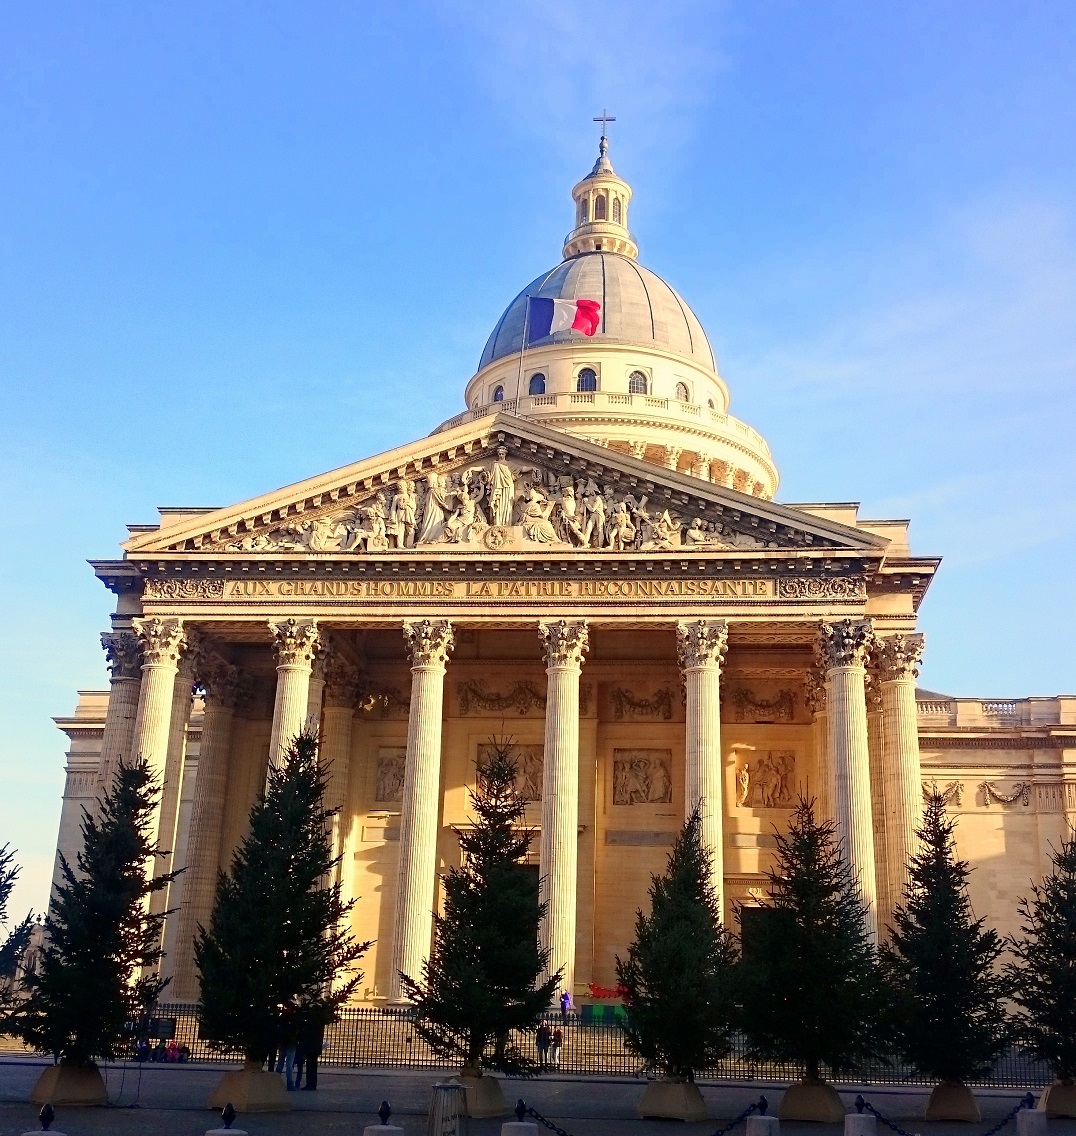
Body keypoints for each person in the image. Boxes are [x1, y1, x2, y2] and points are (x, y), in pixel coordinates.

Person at [296, 1013, 325, 1090]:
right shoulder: (320, 1024)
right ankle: (312, 1084)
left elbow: (306, 1035)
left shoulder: (310, 1025)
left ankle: (310, 1084)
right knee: (313, 1066)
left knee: (310, 1066)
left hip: (310, 1047)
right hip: (316, 1047)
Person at [275, 1002, 298, 1090]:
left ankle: (277, 1082)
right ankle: (289, 1084)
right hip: (290, 1043)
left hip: (284, 1042)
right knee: (288, 1064)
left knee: (281, 1063)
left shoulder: (282, 1018)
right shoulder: (293, 1018)